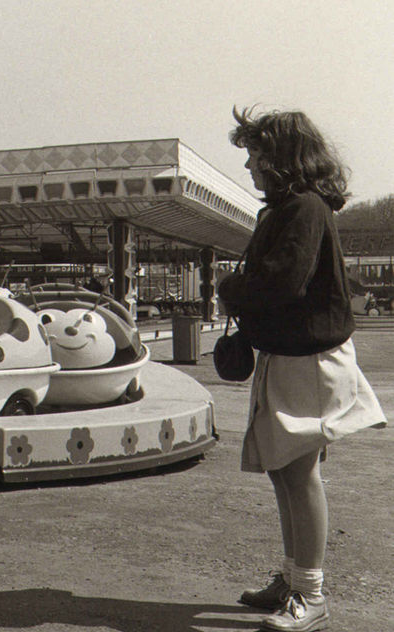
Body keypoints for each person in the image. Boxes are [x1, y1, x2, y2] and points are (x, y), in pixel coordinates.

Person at [218, 107, 387, 632]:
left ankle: (310, 594)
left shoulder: (303, 209)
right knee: (282, 470)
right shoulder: (290, 209)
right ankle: (295, 579)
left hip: (308, 359)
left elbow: (281, 282)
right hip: (291, 356)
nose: (249, 165)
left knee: (299, 471)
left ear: (281, 158)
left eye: (255, 154)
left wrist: (230, 288)